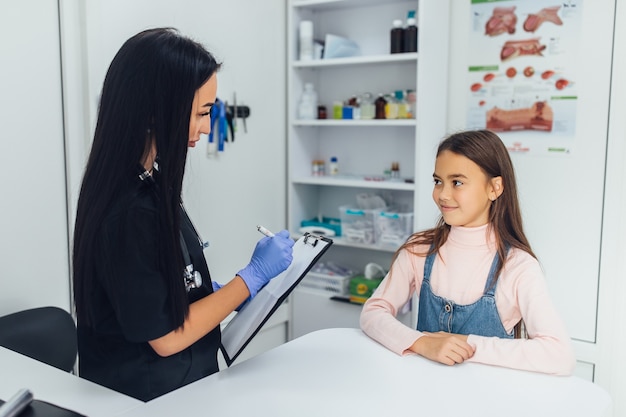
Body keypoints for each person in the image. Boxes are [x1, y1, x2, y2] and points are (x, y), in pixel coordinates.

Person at [72, 28, 294, 401]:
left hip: (183, 389)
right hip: (143, 398)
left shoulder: (150, 182)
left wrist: (211, 294)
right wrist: (250, 279)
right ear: (155, 112)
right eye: (201, 113)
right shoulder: (129, 210)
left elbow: (161, 288)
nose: (207, 127)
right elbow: (166, 337)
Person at [360, 129, 575, 375]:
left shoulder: (518, 266)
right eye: (438, 181)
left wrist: (468, 345)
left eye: (457, 182)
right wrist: (421, 343)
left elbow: (559, 355)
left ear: (494, 188)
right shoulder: (418, 250)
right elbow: (373, 313)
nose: (443, 194)